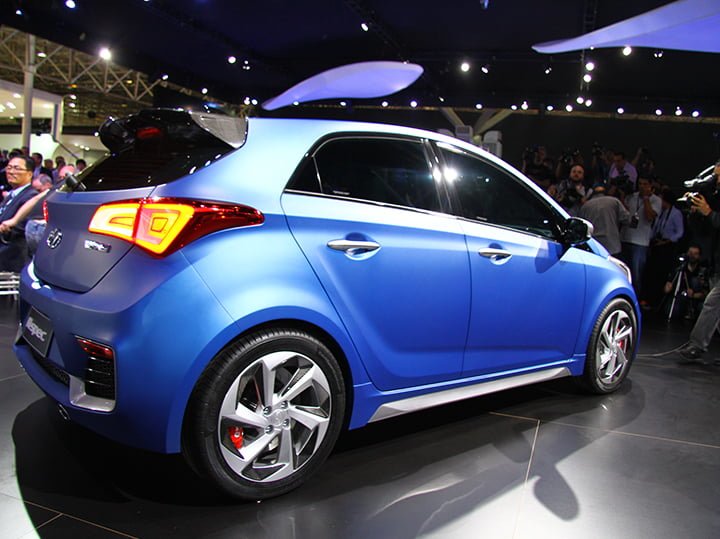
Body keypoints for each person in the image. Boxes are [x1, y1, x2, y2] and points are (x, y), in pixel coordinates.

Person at [677, 159, 720, 364]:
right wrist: (696, 213)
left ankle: (697, 345)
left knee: (712, 303)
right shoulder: (715, 197)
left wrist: (709, 212)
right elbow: (704, 230)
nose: (716, 180)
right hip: (716, 261)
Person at [620, 176, 661, 298]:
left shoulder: (656, 200)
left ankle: (635, 299)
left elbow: (649, 216)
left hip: (640, 242)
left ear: (650, 186)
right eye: (640, 184)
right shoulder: (632, 197)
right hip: (625, 237)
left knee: (636, 275)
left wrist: (646, 198)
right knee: (622, 271)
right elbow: (624, 213)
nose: (642, 186)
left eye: (645, 184)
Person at [0, 155, 39, 272]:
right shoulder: (11, 195)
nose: (11, 172)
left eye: (17, 168)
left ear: (29, 174)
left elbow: (20, 227)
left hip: (12, 257)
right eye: (9, 168)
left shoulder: (31, 196)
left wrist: (3, 227)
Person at [578, 181, 630, 256]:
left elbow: (581, 227)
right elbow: (626, 219)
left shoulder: (585, 206)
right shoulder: (614, 201)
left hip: (593, 245)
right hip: (612, 245)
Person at [663, 245, 708, 320]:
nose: (692, 256)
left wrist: (693, 295)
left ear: (699, 256)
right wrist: (667, 287)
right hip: (680, 297)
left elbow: (706, 293)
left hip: (695, 300)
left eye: (695, 254)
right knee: (670, 310)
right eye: (690, 253)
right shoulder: (679, 268)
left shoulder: (702, 271)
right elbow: (667, 287)